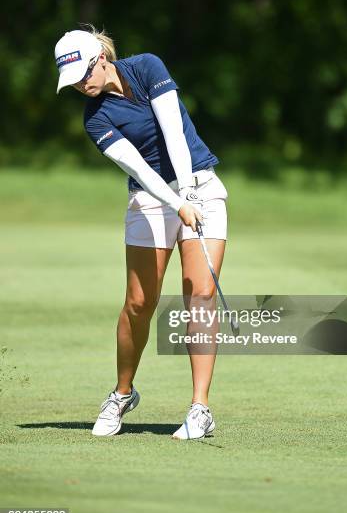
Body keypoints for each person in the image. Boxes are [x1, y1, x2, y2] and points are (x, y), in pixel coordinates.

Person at [54, 27, 228, 440]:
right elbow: (139, 168)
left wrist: (187, 194)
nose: (82, 84)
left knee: (200, 295)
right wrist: (176, 204)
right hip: (151, 200)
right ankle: (122, 392)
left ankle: (200, 408)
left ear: (100, 56)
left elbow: (173, 132)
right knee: (138, 303)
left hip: (199, 184)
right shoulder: (95, 119)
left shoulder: (147, 67)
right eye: (74, 81)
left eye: (84, 73)